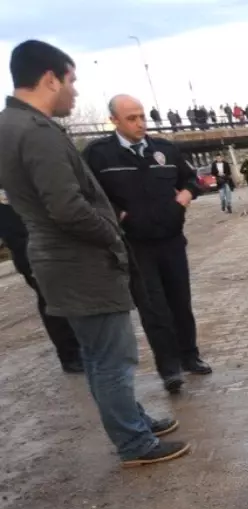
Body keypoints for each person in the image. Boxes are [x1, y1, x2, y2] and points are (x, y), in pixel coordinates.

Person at [0, 40, 190, 466]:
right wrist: (112, 234)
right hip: (80, 265)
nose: (75, 92)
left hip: (60, 263)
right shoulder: (37, 132)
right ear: (50, 78)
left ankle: (134, 421)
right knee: (112, 360)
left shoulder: (10, 124)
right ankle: (134, 443)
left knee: (98, 355)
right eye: (71, 81)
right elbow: (66, 207)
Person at [83, 93, 212, 387]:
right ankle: (169, 368)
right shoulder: (99, 155)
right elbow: (88, 195)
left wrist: (185, 195)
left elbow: (191, 179)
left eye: (142, 116)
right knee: (154, 308)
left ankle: (189, 356)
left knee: (180, 301)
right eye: (132, 118)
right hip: (135, 245)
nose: (140, 123)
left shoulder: (164, 150)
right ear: (114, 120)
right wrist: (119, 215)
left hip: (171, 239)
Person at [0, 187, 83, 372]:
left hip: (51, 243)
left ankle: (80, 344)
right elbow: (10, 227)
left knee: (68, 294)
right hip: (29, 250)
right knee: (49, 299)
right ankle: (70, 355)